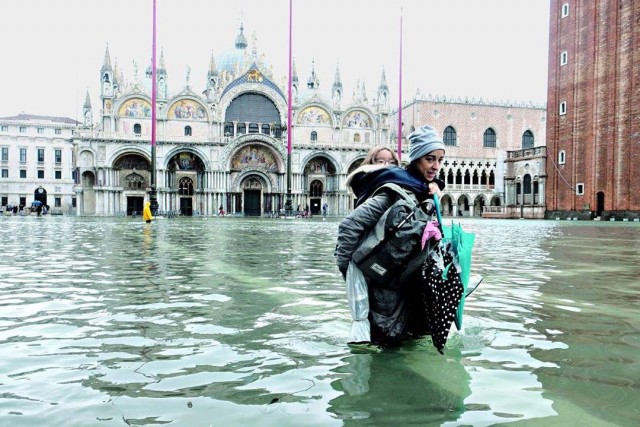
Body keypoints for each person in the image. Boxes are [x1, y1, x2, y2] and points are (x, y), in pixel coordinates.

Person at [335, 126, 446, 345]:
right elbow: (349, 227)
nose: (436, 166)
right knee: (388, 346)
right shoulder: (394, 192)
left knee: (411, 342)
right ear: (416, 159)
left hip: (409, 288)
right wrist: (351, 275)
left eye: (440, 160)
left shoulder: (422, 190)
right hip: (384, 293)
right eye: (430, 159)